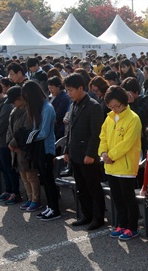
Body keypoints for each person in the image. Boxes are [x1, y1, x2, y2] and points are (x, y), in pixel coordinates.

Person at [63, 73, 105, 230]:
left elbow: (96, 133)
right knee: (80, 187)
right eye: (67, 90)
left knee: (93, 187)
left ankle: (98, 217)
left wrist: (90, 154)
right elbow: (70, 130)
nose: (69, 93)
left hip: (88, 155)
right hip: (75, 153)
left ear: (81, 88)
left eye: (71, 90)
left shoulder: (93, 106)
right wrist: (67, 150)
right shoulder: (74, 104)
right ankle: (86, 215)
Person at [99, 85, 142, 240]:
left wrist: (110, 155)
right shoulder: (109, 118)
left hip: (125, 165)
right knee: (117, 197)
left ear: (124, 102)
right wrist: (103, 153)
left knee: (128, 198)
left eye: (117, 106)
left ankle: (132, 227)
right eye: (111, 106)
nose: (114, 109)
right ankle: (121, 224)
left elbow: (127, 143)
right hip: (110, 165)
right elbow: (103, 136)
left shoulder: (133, 119)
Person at [22, 81, 61, 221]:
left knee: (49, 179)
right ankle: (50, 206)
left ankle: (55, 208)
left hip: (46, 148)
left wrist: (29, 137)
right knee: (44, 178)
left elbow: (43, 132)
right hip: (39, 148)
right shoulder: (38, 108)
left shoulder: (47, 108)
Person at [6, 86, 43, 213]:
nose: (13, 104)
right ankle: (29, 197)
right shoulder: (13, 111)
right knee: (23, 176)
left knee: (31, 175)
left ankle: (35, 199)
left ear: (21, 98)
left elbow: (26, 131)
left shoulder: (28, 112)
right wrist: (9, 143)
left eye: (14, 101)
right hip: (15, 149)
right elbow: (10, 130)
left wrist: (14, 143)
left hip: (25, 148)